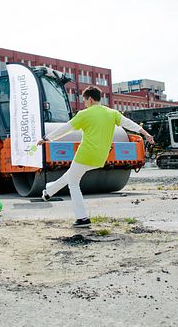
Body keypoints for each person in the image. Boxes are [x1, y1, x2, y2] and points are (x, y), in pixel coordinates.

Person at [37, 86, 154, 228]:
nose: (84, 103)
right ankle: (48, 192)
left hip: (85, 154)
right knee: (71, 176)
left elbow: (66, 128)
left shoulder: (84, 114)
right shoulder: (112, 113)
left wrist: (47, 138)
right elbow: (128, 124)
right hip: (101, 157)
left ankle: (82, 218)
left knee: (73, 183)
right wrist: (145, 133)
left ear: (90, 99)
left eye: (85, 100)